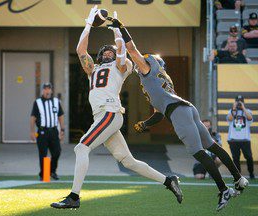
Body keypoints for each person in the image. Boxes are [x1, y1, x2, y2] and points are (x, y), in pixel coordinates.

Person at [106, 12, 249, 211]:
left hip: (179, 113)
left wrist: (120, 28)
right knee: (212, 146)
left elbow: (132, 49)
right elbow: (159, 112)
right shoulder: (161, 77)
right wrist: (146, 124)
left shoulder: (148, 71)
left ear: (150, 62)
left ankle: (224, 188)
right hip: (188, 109)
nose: (141, 63)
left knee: (198, 152)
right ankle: (239, 178)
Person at [50, 6, 183, 210]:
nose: (108, 53)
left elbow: (122, 54)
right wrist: (88, 24)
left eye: (111, 51)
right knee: (128, 161)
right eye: (105, 51)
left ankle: (74, 197)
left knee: (81, 147)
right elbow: (80, 51)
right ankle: (169, 180)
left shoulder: (121, 66)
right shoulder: (92, 69)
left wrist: (116, 30)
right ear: (101, 55)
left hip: (110, 113)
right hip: (102, 117)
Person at [30, 83, 64, 181]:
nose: (47, 91)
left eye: (49, 89)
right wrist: (32, 131)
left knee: (57, 152)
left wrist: (62, 129)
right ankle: (43, 174)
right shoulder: (38, 102)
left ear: (51, 90)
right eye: (45, 89)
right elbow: (33, 117)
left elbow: (60, 116)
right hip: (42, 132)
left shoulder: (56, 102)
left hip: (53, 131)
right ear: (42, 90)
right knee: (43, 154)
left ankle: (52, 171)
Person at [227, 95, 254, 179]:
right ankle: (238, 175)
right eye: (237, 101)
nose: (239, 103)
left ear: (243, 102)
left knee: (249, 157)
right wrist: (234, 108)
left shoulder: (248, 111)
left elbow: (249, 118)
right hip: (233, 140)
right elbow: (230, 118)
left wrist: (243, 108)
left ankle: (251, 173)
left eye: (240, 101)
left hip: (245, 139)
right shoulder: (231, 111)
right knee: (235, 158)